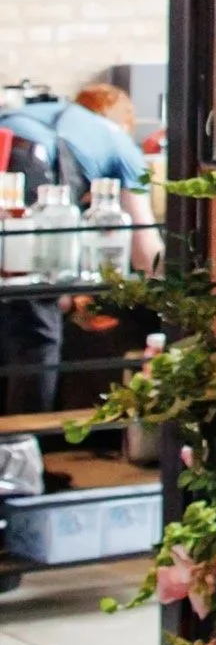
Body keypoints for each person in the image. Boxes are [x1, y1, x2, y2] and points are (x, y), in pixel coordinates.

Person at [0, 83, 160, 415]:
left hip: (12, 159)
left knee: (18, 308)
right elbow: (147, 251)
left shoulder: (49, 114)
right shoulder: (122, 145)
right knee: (36, 331)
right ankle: (22, 458)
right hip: (25, 160)